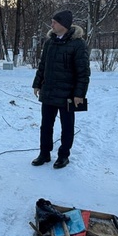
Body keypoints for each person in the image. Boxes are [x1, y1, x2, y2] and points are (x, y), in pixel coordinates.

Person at [31, 10, 90, 169]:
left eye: (55, 22)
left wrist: (79, 94)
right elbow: (42, 65)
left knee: (67, 126)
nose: (52, 25)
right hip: (49, 91)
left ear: (63, 24)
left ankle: (64, 155)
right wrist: (37, 84)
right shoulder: (49, 42)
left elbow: (83, 71)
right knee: (46, 125)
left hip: (68, 94)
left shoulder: (77, 44)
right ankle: (44, 153)